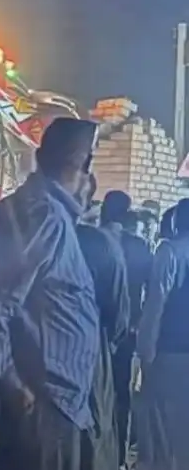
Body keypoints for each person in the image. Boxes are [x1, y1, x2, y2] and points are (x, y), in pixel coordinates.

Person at [0, 117, 101, 470]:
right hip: (43, 403)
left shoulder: (47, 214)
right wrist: (11, 384)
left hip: (56, 401)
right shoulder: (42, 215)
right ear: (83, 163)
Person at [76, 188, 130, 470]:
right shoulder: (103, 245)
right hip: (95, 347)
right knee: (96, 421)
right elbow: (119, 310)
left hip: (40, 355)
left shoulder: (36, 236)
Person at [135, 197, 189, 470]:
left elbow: (156, 303)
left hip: (171, 349)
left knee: (162, 420)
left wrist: (146, 349)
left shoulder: (170, 251)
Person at [100, 193, 153, 468]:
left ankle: (95, 454)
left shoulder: (91, 240)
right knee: (122, 393)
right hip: (126, 330)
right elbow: (151, 289)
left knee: (94, 392)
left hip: (95, 330)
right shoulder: (139, 246)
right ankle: (118, 457)